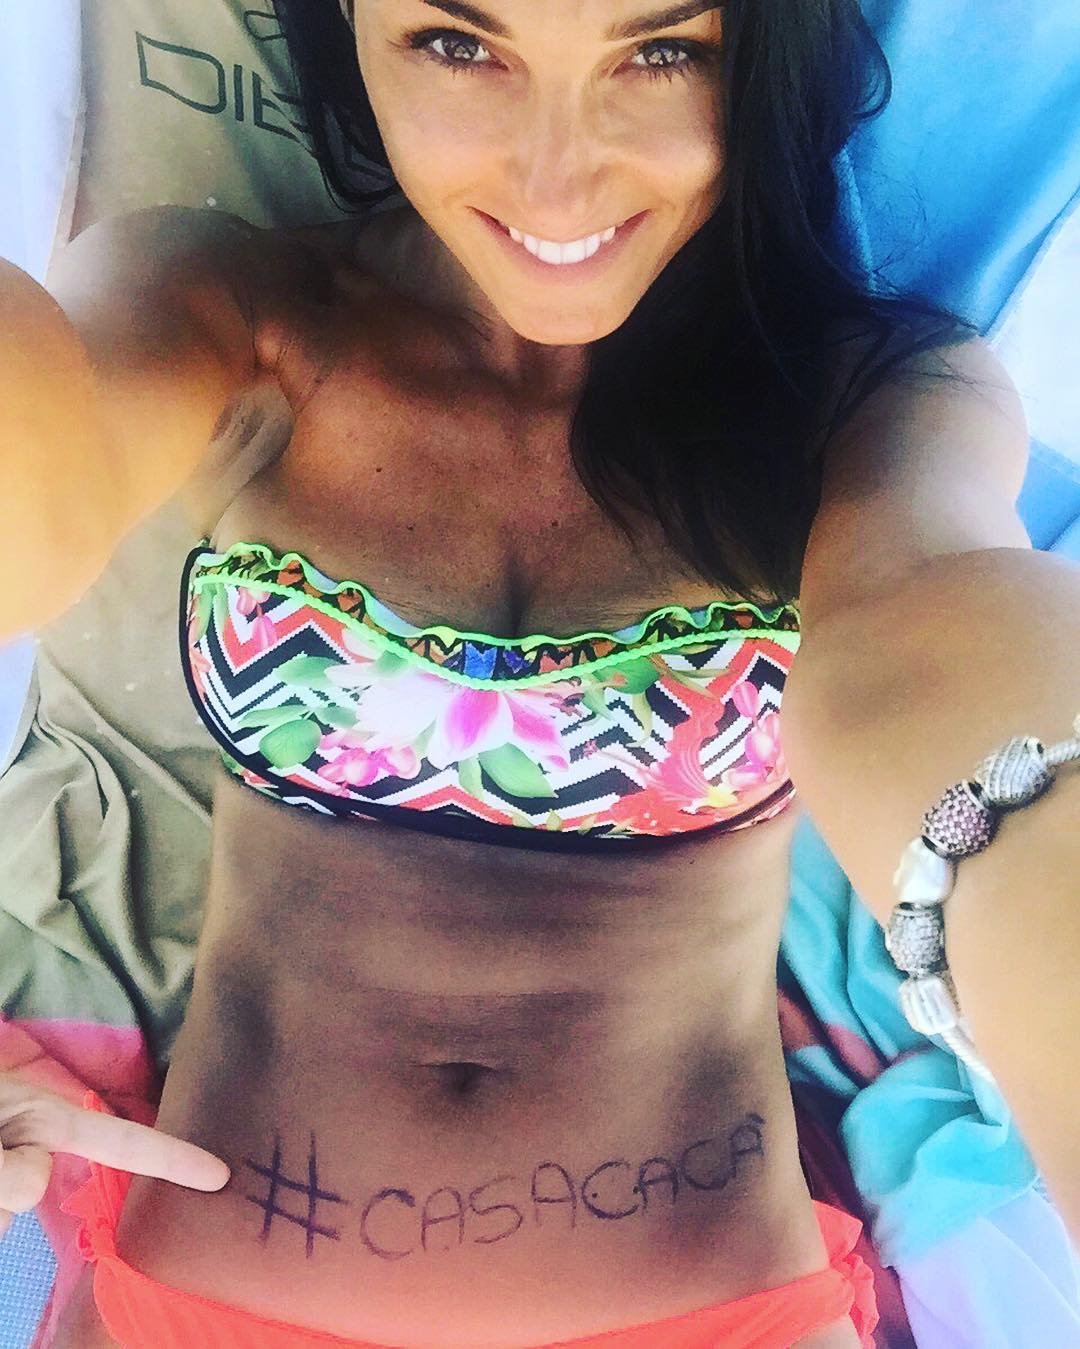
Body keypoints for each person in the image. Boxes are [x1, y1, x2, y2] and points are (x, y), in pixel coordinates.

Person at [2, 0, 1074, 1344]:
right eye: (461, 46)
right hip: (197, 1314)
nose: (556, 175)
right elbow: (35, 473)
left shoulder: (867, 399)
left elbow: (941, 645)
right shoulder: (235, 311)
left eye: (663, 51)